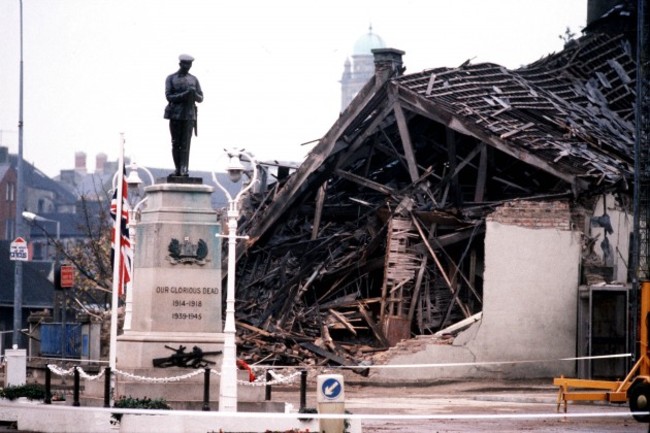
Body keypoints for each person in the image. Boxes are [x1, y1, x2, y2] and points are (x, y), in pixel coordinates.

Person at [164, 54, 203, 176]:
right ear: (180, 64)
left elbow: (201, 98)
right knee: (176, 143)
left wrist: (194, 94)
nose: (188, 67)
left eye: (190, 65)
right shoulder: (171, 78)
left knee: (186, 143)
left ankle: (184, 169)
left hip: (189, 115)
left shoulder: (194, 79)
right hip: (175, 114)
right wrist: (185, 94)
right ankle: (177, 169)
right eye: (186, 64)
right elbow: (169, 96)